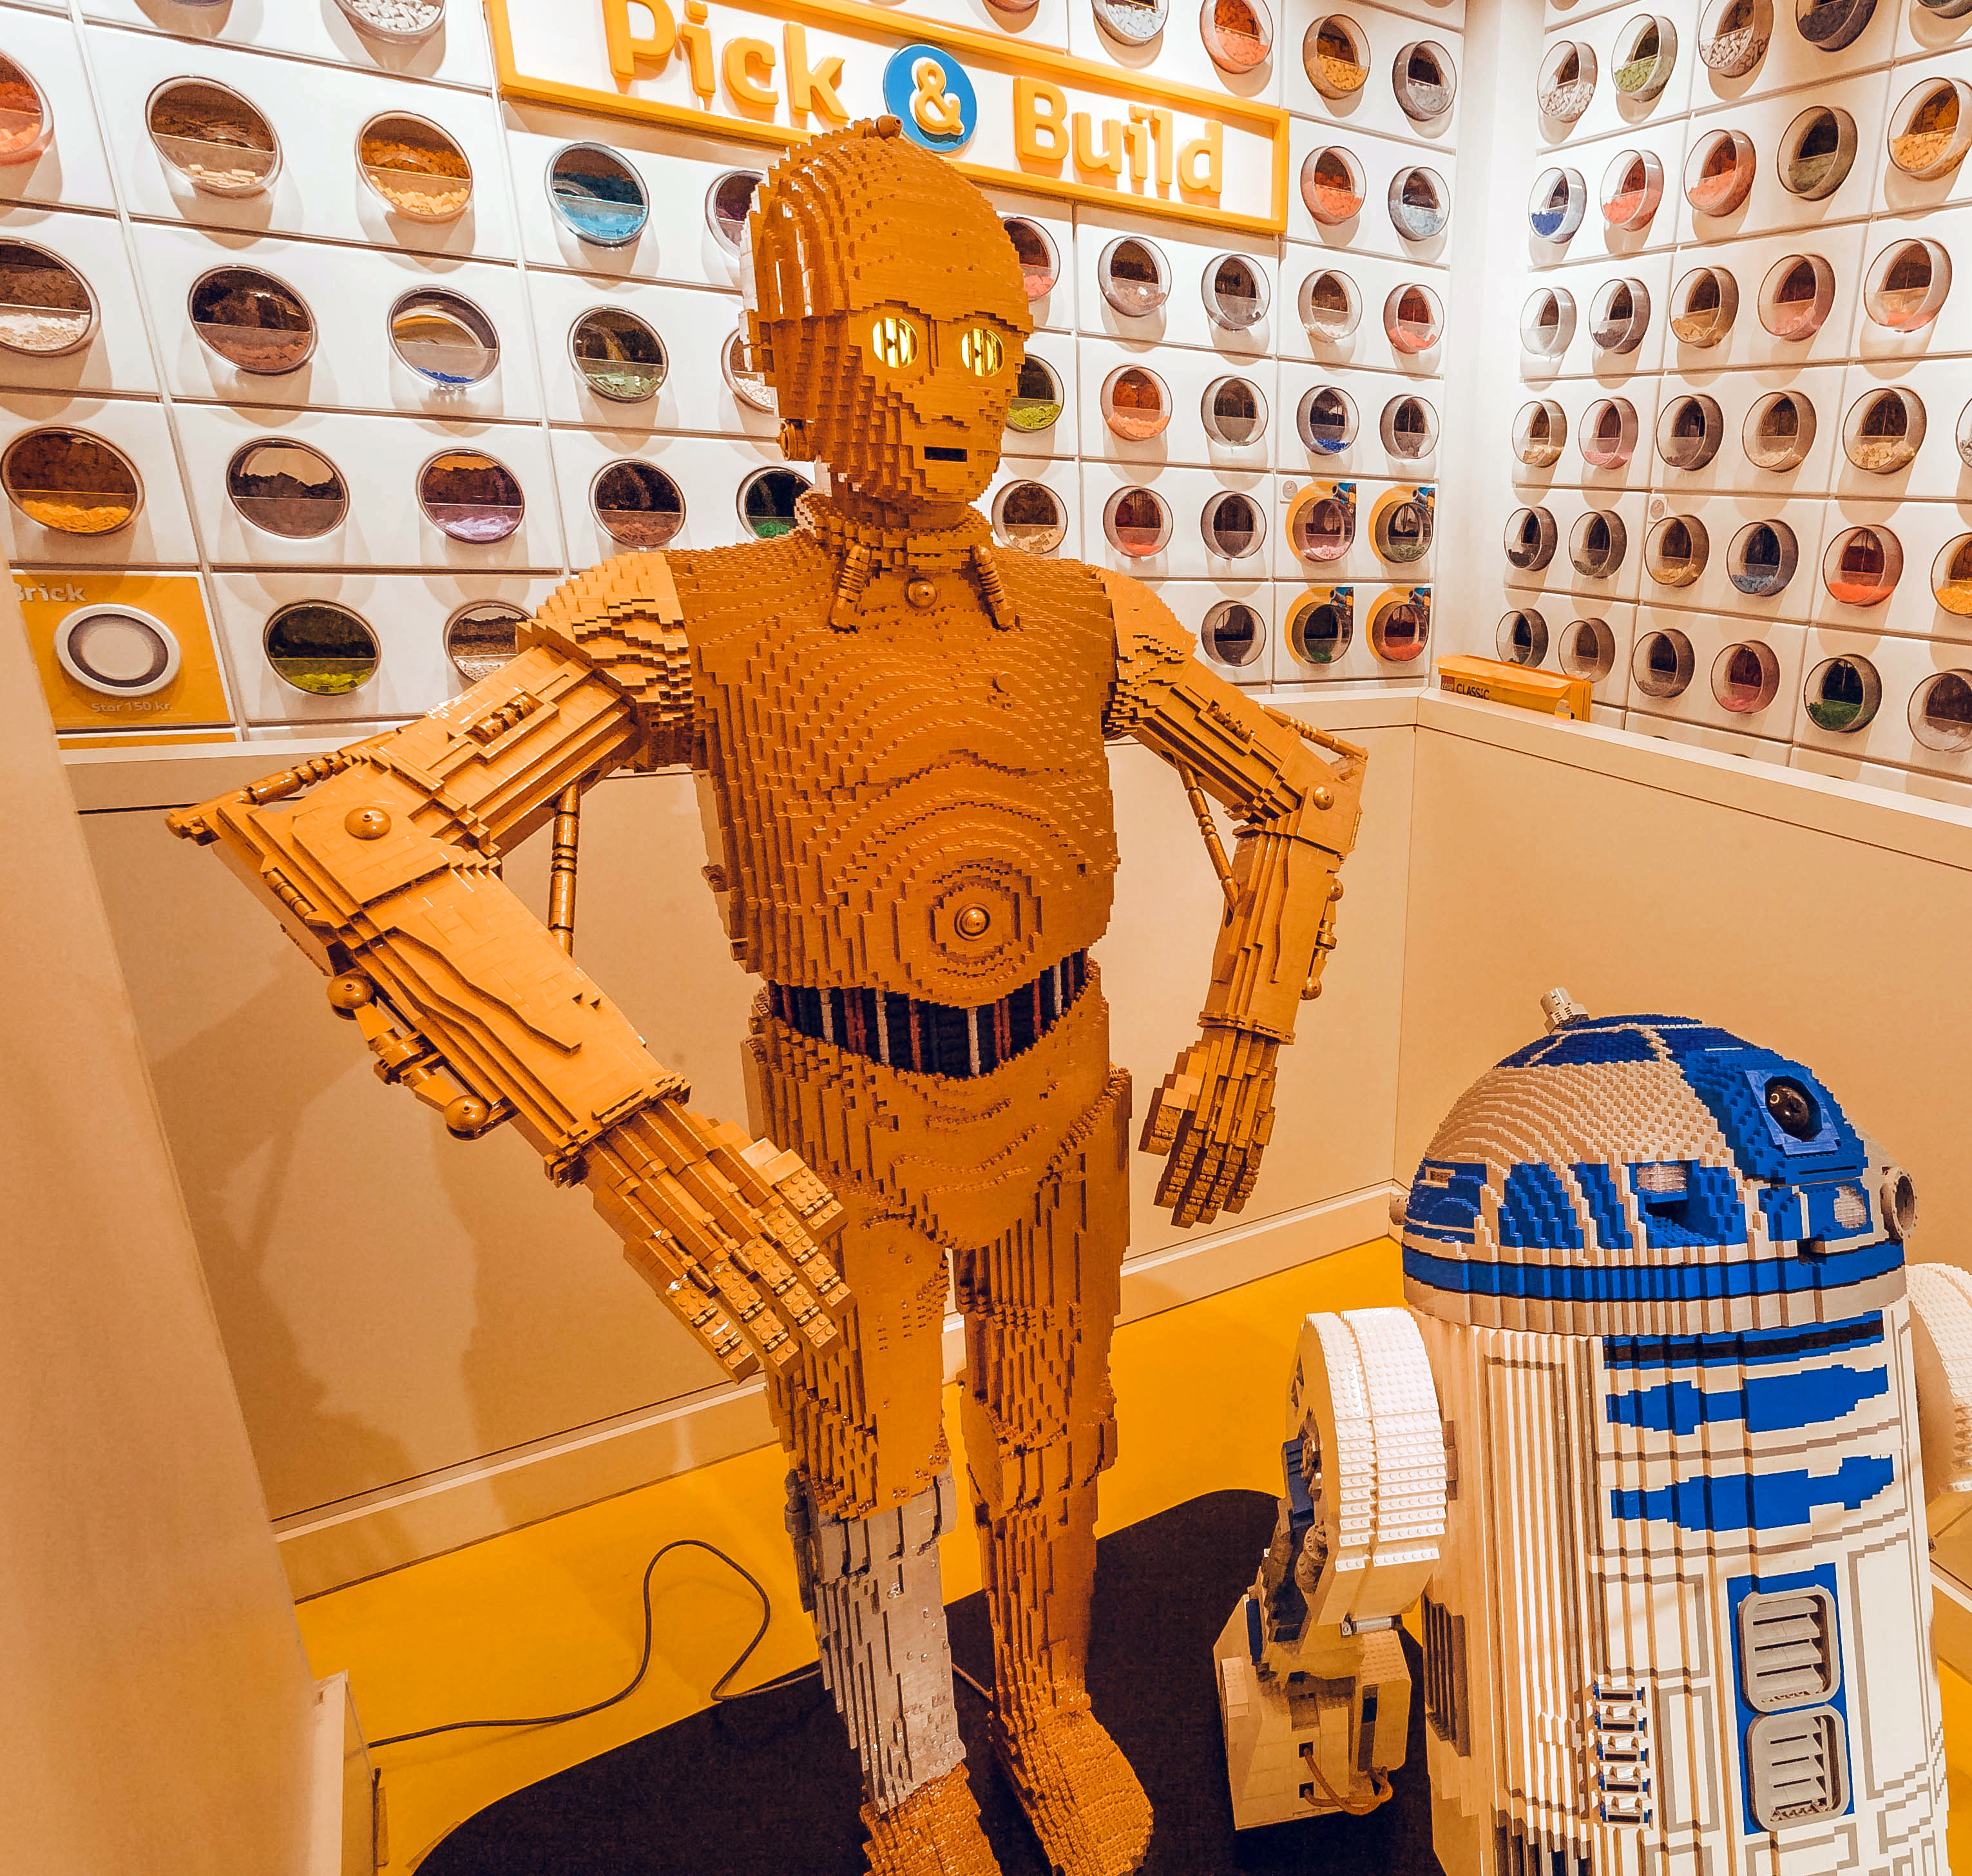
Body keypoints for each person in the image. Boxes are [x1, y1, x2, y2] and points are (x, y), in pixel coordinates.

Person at [169, 115, 1367, 1876]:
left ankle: (1042, 1696)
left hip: (1063, 1075)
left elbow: (1301, 788)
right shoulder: (686, 617)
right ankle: (911, 1772)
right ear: (786, 363)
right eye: (894, 335)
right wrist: (635, 1133)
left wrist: (1245, 1033)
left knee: (1055, 1426)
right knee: (868, 1462)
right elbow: (365, 826)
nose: (947, 388)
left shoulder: (1088, 617)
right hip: (844, 1096)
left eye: (985, 344)